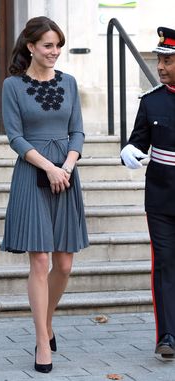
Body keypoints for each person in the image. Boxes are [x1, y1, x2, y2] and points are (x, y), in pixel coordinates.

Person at [1, 16, 89, 373]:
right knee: (40, 260)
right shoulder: (13, 86)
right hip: (32, 173)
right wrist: (48, 167)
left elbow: (78, 132)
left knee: (64, 264)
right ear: (31, 46)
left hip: (66, 174)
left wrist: (65, 167)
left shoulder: (69, 83)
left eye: (58, 46)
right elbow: (15, 137)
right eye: (48, 45)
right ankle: (42, 340)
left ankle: (47, 320)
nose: (54, 52)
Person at [120, 26, 175, 358]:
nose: (162, 67)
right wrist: (128, 150)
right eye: (159, 60)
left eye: (168, 60)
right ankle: (167, 336)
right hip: (161, 197)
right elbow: (137, 140)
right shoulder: (152, 101)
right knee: (165, 264)